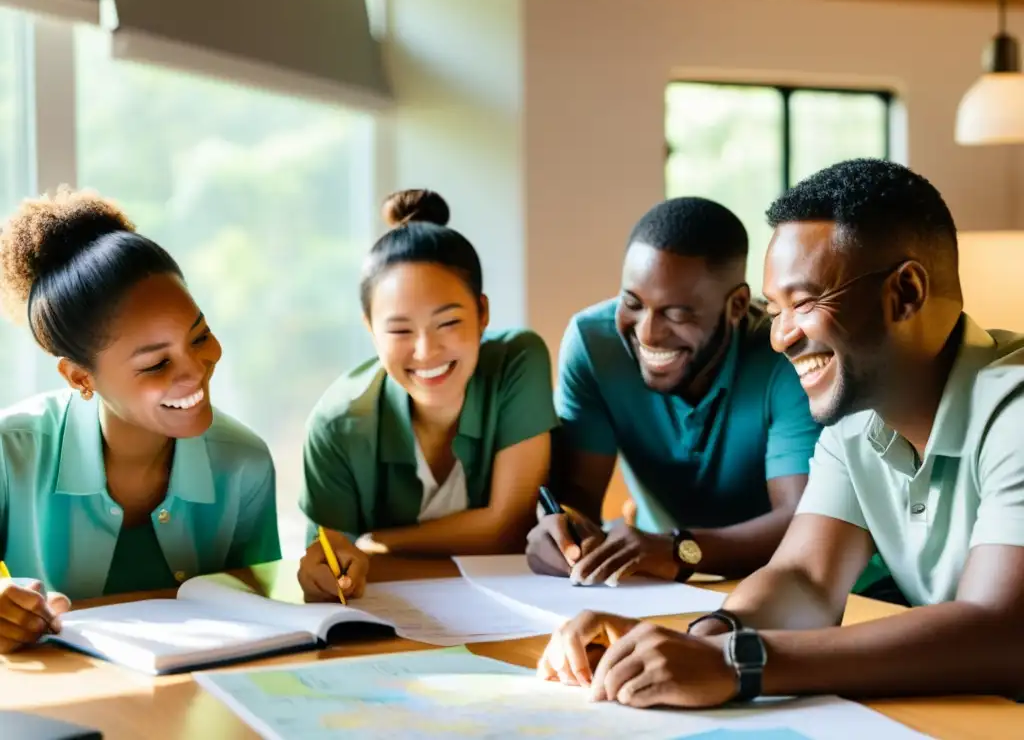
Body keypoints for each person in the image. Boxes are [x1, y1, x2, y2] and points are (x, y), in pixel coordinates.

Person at [537, 159, 1024, 707]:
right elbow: (804, 579)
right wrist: (699, 641)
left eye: (805, 302)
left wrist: (738, 663)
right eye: (775, 309)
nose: (779, 337)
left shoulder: (1016, 409)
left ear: (906, 293)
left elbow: (1001, 631)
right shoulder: (857, 419)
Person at [0, 188, 281, 653]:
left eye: (200, 336)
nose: (195, 369)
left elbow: (259, 604)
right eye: (155, 364)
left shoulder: (245, 463)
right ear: (79, 376)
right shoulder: (12, 453)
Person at [525, 197, 845, 589]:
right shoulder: (594, 344)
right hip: (652, 581)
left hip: (777, 583)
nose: (647, 333)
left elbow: (800, 519)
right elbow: (578, 496)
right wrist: (562, 530)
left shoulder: (784, 355)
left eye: (676, 314)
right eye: (632, 303)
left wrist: (680, 550)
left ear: (737, 305)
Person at [298, 189, 558, 602]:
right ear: (369, 327)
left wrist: (376, 543)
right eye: (400, 330)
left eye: (448, 322)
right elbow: (330, 558)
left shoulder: (517, 361)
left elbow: (509, 525)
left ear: (483, 313)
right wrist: (332, 569)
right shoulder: (337, 424)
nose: (426, 351)